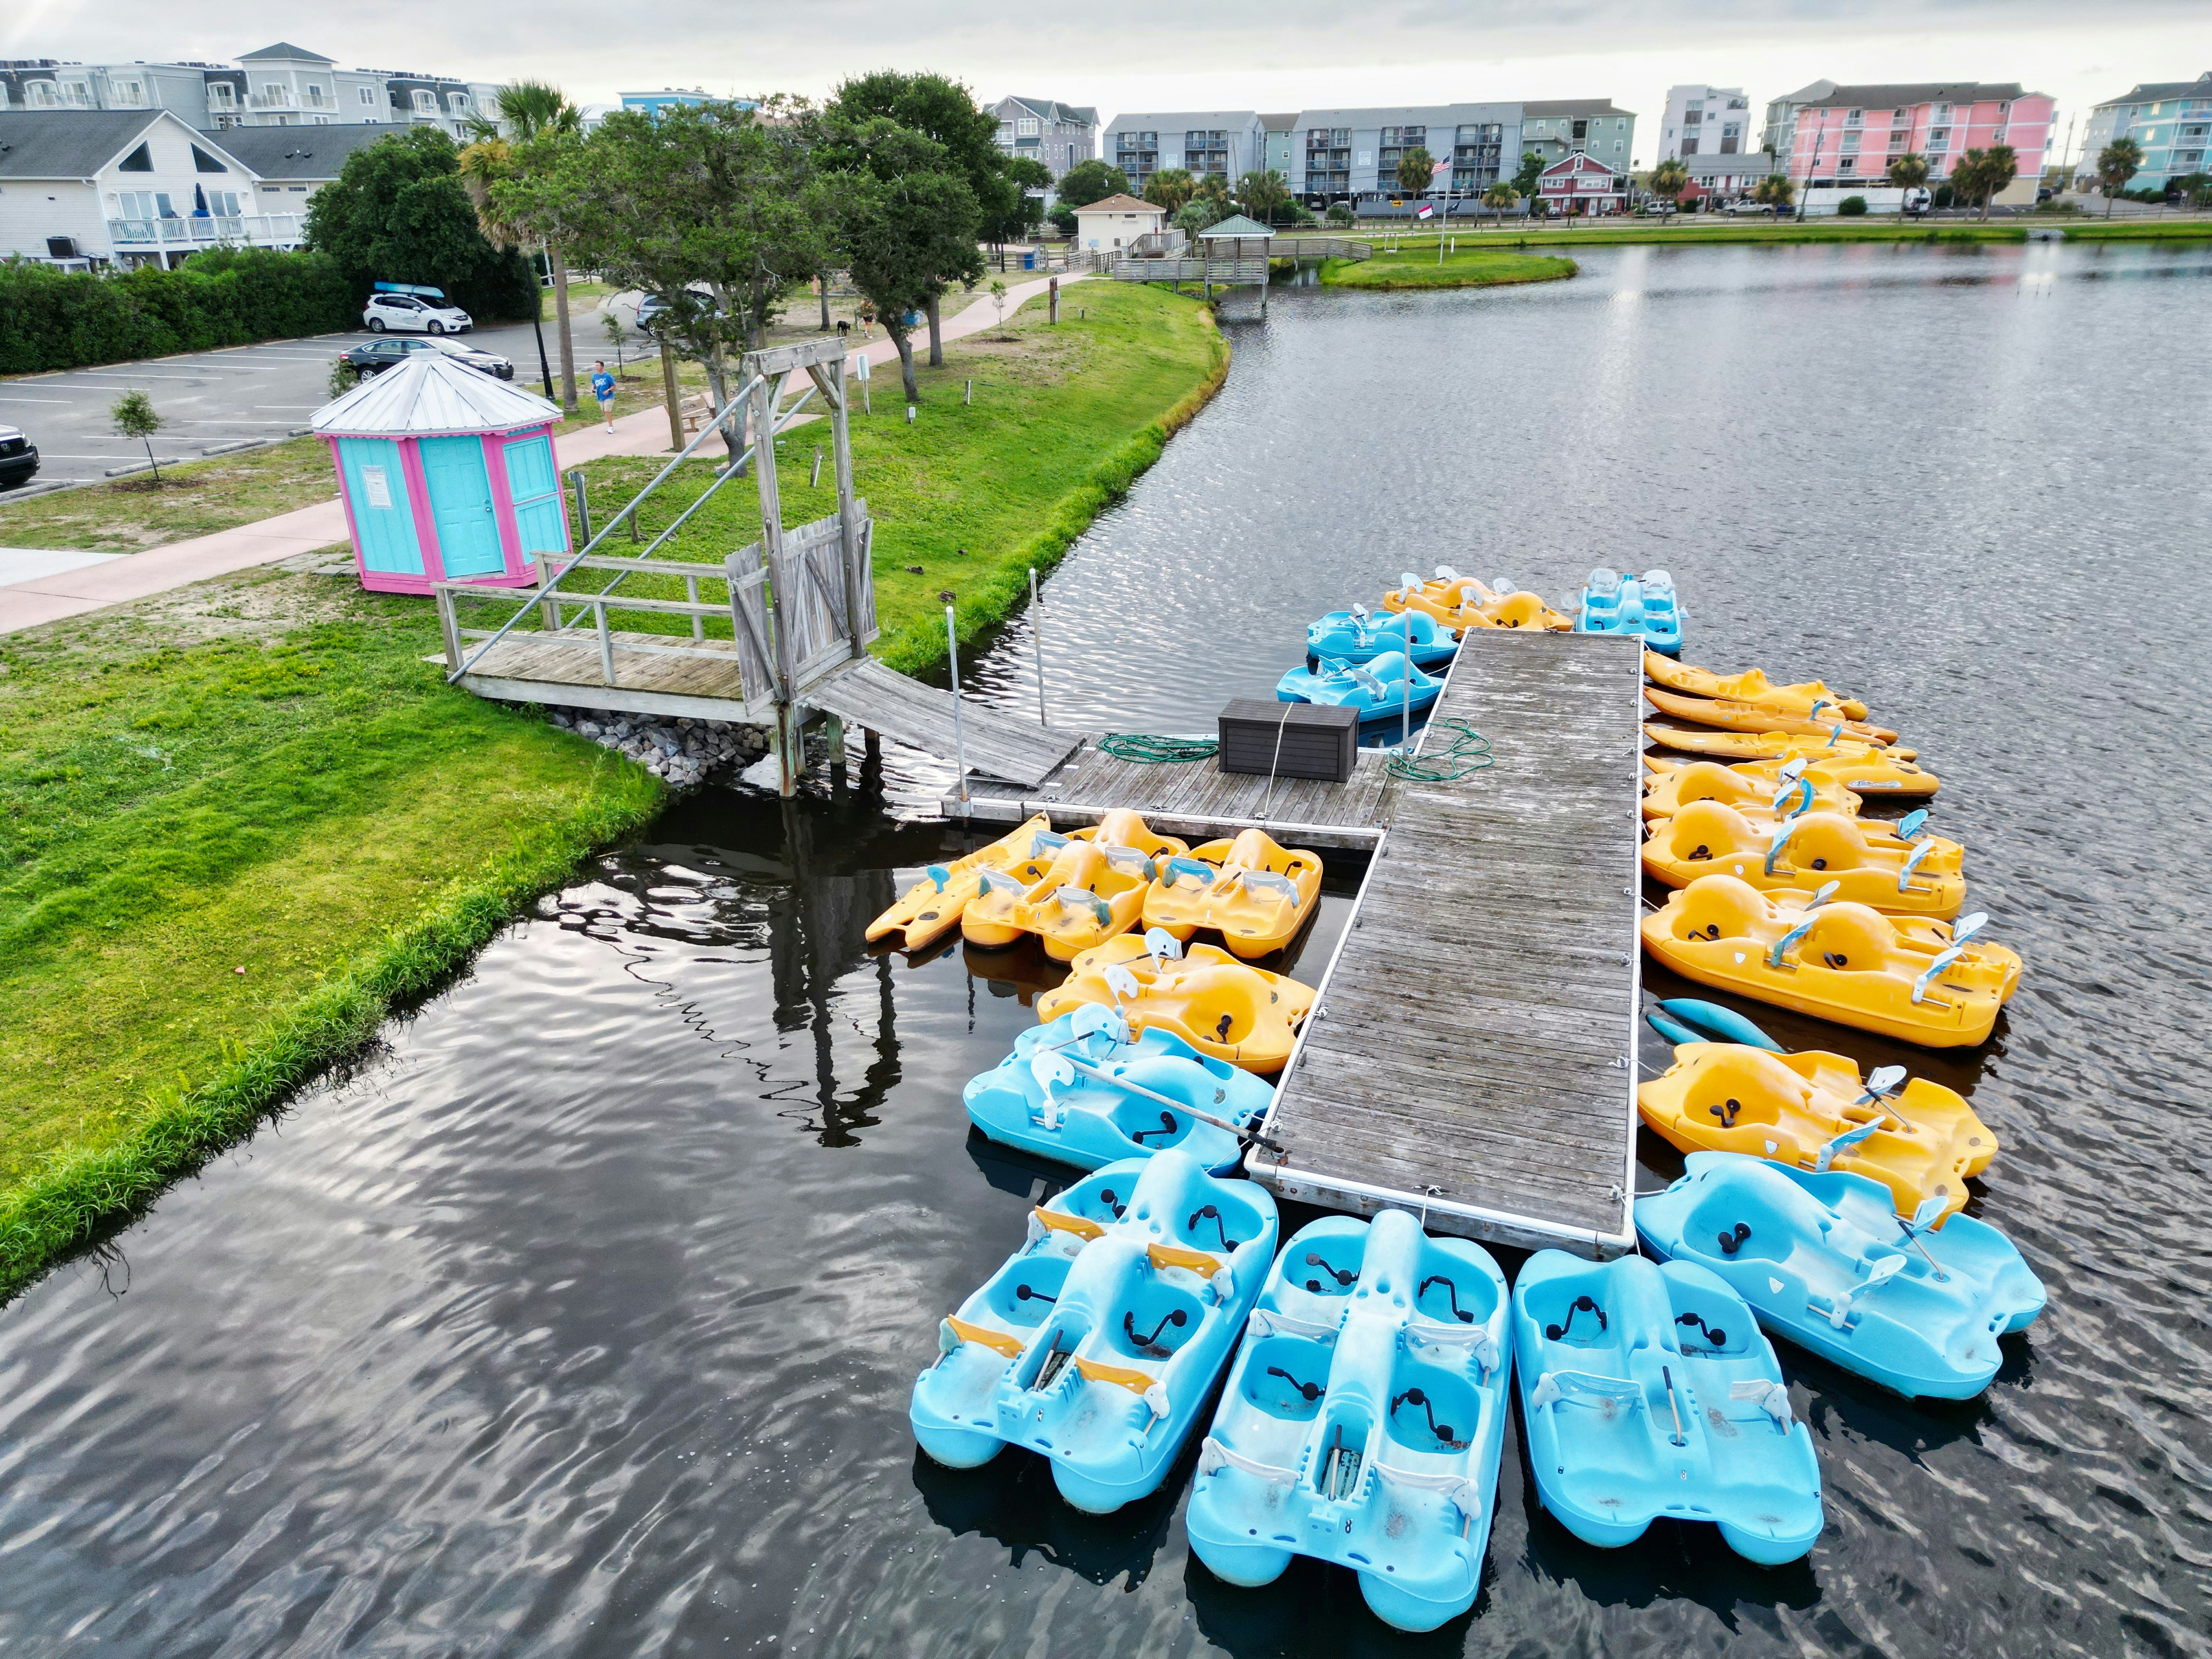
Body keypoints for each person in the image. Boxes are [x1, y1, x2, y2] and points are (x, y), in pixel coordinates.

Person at [589, 361, 616, 431]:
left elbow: (614, 386)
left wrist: (608, 390)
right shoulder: (595, 376)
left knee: (607, 410)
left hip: (609, 397)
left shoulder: (607, 376)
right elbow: (594, 384)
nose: (596, 367)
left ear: (602, 367)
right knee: (605, 411)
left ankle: (611, 427)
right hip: (600, 397)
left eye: (598, 365)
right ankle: (610, 422)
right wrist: (593, 389)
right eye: (595, 366)